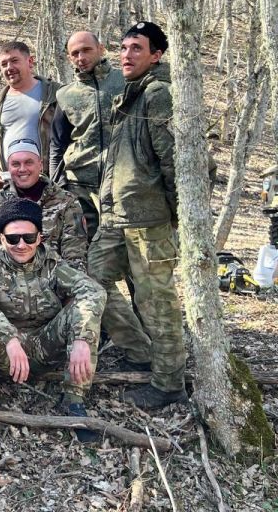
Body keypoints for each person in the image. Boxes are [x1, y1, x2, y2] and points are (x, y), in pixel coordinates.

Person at [0, 198, 105, 466]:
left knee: (82, 312)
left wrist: (83, 338)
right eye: (13, 238)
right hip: (5, 354)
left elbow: (93, 290)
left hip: (42, 346)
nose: (21, 245)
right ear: (1, 239)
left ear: (39, 237)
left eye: (28, 237)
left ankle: (75, 400)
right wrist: (9, 337)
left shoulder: (52, 265)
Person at [88, 21, 186, 409]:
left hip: (149, 221)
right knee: (91, 283)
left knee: (156, 301)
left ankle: (168, 382)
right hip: (116, 217)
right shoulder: (132, 94)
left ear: (157, 55)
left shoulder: (159, 94)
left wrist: (180, 219)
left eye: (137, 49)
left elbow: (175, 161)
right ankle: (139, 349)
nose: (127, 55)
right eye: (124, 47)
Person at [0, 139, 88, 301]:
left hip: (52, 290)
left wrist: (71, 296)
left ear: (40, 164)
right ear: (8, 167)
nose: (22, 169)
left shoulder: (66, 202)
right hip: (4, 291)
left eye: (28, 162)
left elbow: (75, 255)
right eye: (15, 164)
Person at [49, 31, 125, 240]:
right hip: (80, 186)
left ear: (101, 48)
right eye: (75, 53)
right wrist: (56, 186)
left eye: (87, 50)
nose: (81, 58)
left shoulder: (126, 82)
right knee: (86, 253)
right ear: (69, 58)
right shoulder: (65, 95)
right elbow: (58, 144)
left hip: (123, 183)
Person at [0, 41, 61, 186]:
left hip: (50, 186)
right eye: (4, 64)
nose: (9, 68)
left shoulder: (56, 95)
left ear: (30, 61)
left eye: (14, 61)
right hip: (9, 186)